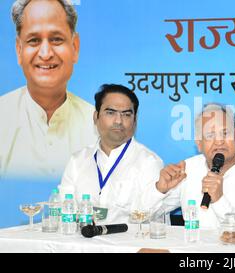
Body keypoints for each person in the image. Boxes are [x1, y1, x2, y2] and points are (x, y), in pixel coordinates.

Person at [0, 0, 97, 180]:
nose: (45, 53)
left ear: (75, 47)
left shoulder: (99, 128)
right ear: (19, 50)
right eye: (34, 40)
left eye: (56, 39)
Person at [154, 103, 235, 231]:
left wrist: (220, 201)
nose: (219, 141)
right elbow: (144, 215)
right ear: (199, 143)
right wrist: (159, 190)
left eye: (225, 133)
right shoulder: (188, 170)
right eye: (210, 135)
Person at [58, 84, 164, 224]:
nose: (118, 121)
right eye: (110, 112)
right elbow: (64, 209)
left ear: (135, 121)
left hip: (129, 244)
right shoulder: (78, 161)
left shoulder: (149, 162)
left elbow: (149, 217)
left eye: (126, 114)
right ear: (96, 117)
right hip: (82, 242)